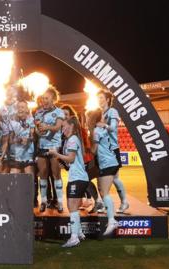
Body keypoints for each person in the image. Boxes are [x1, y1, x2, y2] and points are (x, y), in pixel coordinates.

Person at [49, 116, 88, 247]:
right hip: (78, 177)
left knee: (72, 207)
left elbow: (71, 158)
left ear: (71, 126)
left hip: (78, 178)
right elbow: (72, 162)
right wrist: (64, 164)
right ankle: (80, 233)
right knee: (74, 207)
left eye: (64, 126)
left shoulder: (72, 139)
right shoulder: (72, 139)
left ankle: (74, 237)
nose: (63, 129)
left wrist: (56, 154)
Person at [61, 105, 103, 213]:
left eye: (66, 114)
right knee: (84, 181)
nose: (63, 116)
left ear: (71, 116)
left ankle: (98, 201)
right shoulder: (64, 130)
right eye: (62, 114)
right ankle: (89, 200)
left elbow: (86, 146)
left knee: (86, 180)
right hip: (77, 162)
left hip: (85, 160)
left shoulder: (79, 130)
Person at [87, 109, 119, 236]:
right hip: (108, 162)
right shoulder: (101, 129)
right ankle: (107, 214)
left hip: (107, 163)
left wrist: (84, 149)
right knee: (101, 190)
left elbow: (94, 150)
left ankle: (112, 220)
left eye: (88, 119)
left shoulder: (96, 131)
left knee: (105, 193)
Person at [97, 90, 129, 213]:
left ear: (108, 99)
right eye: (98, 98)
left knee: (114, 178)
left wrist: (103, 125)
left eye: (101, 98)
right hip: (103, 150)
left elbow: (114, 128)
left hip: (112, 149)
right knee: (104, 177)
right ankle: (111, 203)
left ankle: (124, 201)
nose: (99, 100)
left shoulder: (112, 111)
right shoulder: (100, 113)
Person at [34, 87, 65, 213]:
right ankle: (44, 201)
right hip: (42, 146)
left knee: (56, 174)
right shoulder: (38, 112)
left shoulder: (59, 112)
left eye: (47, 98)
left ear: (53, 99)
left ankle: (60, 202)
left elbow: (58, 127)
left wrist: (46, 127)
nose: (44, 100)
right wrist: (37, 130)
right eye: (43, 98)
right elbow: (36, 128)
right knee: (43, 174)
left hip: (54, 147)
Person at [8, 100, 35, 175]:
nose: (20, 109)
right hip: (16, 155)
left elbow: (33, 137)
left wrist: (28, 139)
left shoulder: (31, 120)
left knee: (29, 179)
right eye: (18, 107)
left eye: (22, 107)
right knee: (14, 179)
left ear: (27, 109)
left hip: (28, 155)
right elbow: (10, 140)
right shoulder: (12, 122)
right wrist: (18, 140)